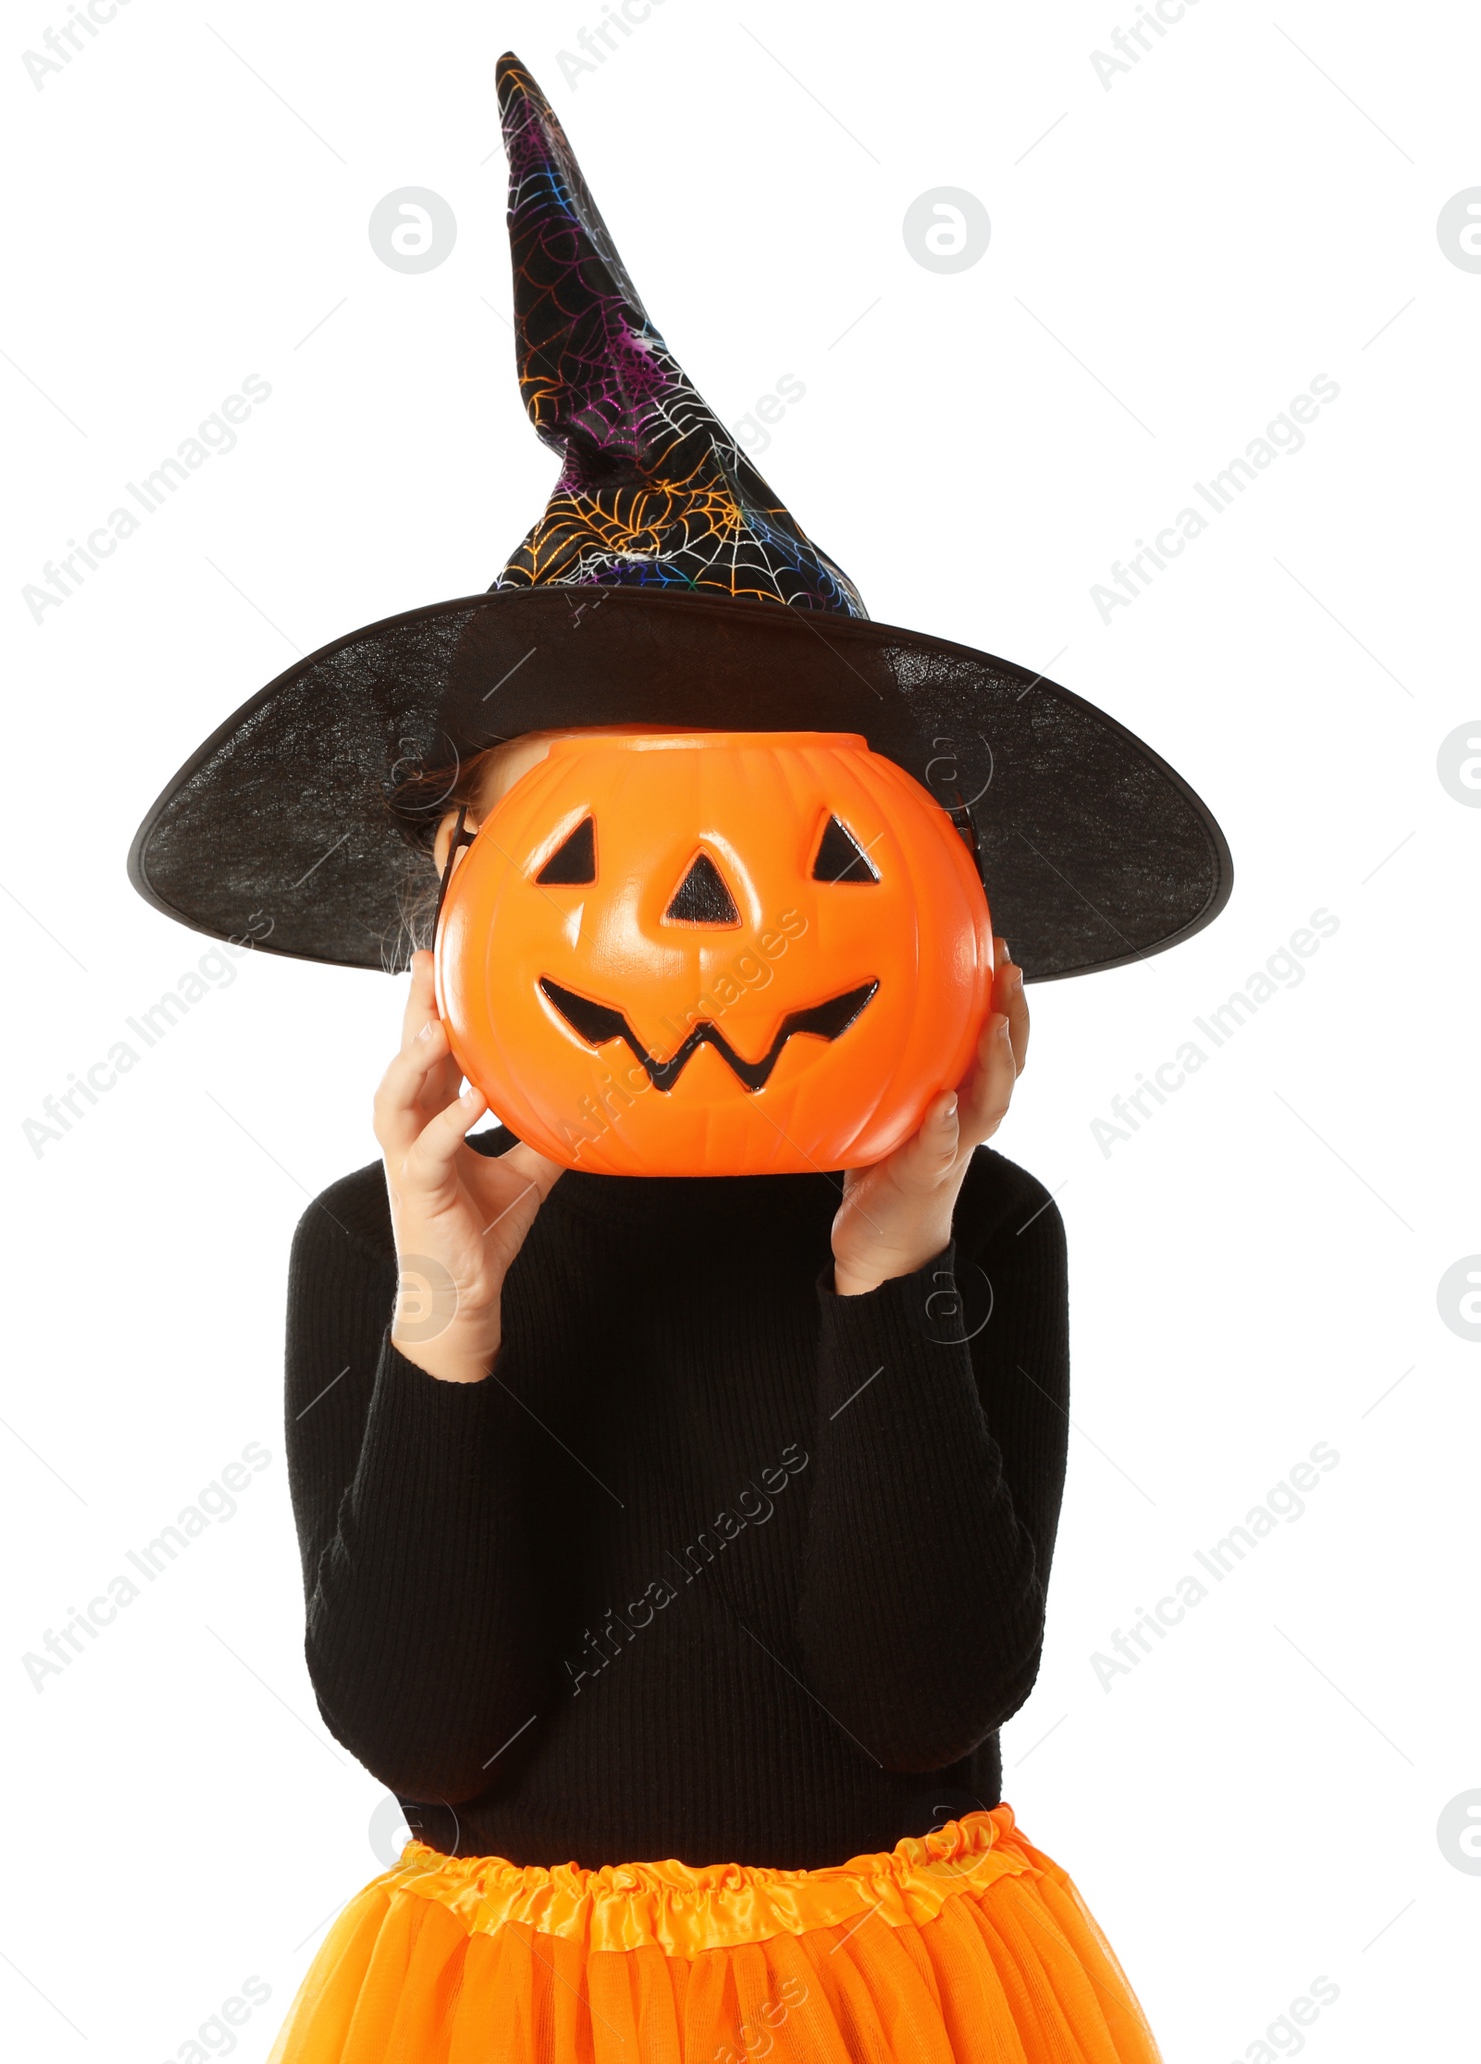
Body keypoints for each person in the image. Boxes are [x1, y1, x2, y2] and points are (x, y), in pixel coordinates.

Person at [129, 53, 1230, 2061]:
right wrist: (444, 1306)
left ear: (929, 899)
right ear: (451, 907)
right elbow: (424, 1729)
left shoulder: (992, 1232)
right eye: (584, 860)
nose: (693, 929)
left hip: (903, 1996)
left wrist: (893, 1256)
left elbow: (924, 1701)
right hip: (501, 2007)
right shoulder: (367, 1251)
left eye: (820, 858)